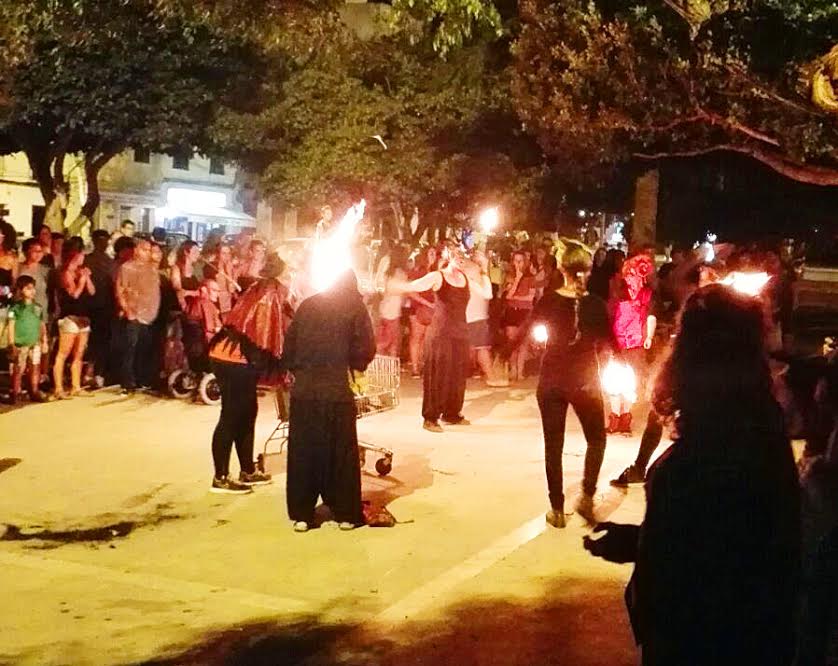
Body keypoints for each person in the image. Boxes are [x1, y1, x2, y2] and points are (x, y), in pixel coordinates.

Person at [585, 285, 800, 665]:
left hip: (702, 634)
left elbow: (715, 551)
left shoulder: (727, 439)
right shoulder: (755, 424)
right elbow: (709, 532)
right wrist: (637, 541)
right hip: (728, 628)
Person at [280, 269, 376, 531]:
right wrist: (355, 366)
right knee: (341, 451)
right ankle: (345, 512)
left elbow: (289, 346)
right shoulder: (354, 306)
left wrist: (297, 369)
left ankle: (302, 514)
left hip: (305, 392)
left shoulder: (309, 304)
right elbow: (365, 348)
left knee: (304, 451)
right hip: (336, 390)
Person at [527, 241, 614, 527]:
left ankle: (557, 509)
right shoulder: (596, 305)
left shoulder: (548, 300)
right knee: (597, 438)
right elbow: (607, 343)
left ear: (561, 269)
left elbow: (535, 334)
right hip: (585, 381)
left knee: (553, 446)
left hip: (551, 379)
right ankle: (587, 496)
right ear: (588, 271)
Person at [207, 253, 287, 494]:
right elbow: (264, 332)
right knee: (232, 416)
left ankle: (247, 469)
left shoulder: (260, 286)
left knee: (247, 413)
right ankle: (220, 477)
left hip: (234, 356)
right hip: (233, 359)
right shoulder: (270, 292)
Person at [399, 242, 471, 433]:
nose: (462, 258)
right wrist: (397, 285)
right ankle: (430, 417)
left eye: (463, 255)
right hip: (441, 332)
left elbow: (486, 291)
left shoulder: (464, 277)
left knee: (457, 375)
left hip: (460, 332)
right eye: (457, 255)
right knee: (438, 375)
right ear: (448, 256)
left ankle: (451, 413)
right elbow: (415, 285)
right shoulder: (437, 276)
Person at [607, 253, 656, 434]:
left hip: (636, 344)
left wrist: (648, 336)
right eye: (630, 275)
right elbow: (610, 316)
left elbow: (651, 315)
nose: (633, 279)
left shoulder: (648, 295)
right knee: (613, 380)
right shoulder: (618, 293)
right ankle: (614, 416)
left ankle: (625, 416)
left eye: (636, 275)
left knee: (630, 382)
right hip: (617, 343)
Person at [114, 239, 160, 394]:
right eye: (144, 249)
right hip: (133, 313)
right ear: (136, 250)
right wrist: (127, 309)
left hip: (149, 314)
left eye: (149, 250)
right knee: (130, 349)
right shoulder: (127, 268)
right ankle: (127, 381)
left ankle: (142, 378)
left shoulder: (151, 269)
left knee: (144, 348)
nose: (147, 253)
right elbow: (120, 290)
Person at [53, 247, 95, 398]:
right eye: (81, 256)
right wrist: (82, 280)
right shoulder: (65, 274)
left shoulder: (81, 272)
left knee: (79, 355)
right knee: (63, 353)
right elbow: (75, 294)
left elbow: (92, 291)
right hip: (70, 317)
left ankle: (76, 387)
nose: (83, 259)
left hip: (84, 317)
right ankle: (58, 388)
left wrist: (87, 277)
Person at [6, 276, 49, 404]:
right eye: (28, 288)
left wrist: (44, 340)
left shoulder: (38, 308)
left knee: (35, 366)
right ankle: (16, 392)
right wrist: (11, 343)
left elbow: (41, 325)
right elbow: (11, 326)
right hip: (20, 344)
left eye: (33, 288)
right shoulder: (15, 308)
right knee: (19, 368)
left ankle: (34, 390)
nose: (32, 291)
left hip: (34, 343)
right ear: (21, 290)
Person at [84, 230, 116, 387]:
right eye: (100, 240)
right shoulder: (87, 260)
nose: (103, 243)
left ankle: (96, 372)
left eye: (105, 240)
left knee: (101, 341)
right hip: (90, 306)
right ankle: (90, 372)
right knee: (92, 341)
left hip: (106, 307)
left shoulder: (110, 262)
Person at [463, 250, 499, 385]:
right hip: (474, 318)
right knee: (482, 348)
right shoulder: (471, 275)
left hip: (475, 317)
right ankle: (491, 377)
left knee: (474, 348)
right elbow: (487, 294)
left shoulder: (478, 275)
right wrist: (484, 270)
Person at [502, 250, 536, 381]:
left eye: (520, 261)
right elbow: (508, 295)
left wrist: (516, 296)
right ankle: (513, 369)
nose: (518, 264)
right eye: (515, 261)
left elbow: (530, 297)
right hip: (512, 312)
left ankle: (520, 370)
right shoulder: (509, 277)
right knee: (512, 341)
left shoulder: (531, 278)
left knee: (524, 343)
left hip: (525, 312)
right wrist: (516, 279)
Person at [406, 246, 437, 378]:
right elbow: (410, 291)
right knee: (417, 337)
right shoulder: (419, 271)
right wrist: (427, 303)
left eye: (435, 254)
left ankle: (422, 364)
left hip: (429, 309)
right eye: (431, 253)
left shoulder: (433, 271)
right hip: (418, 308)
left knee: (425, 338)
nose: (433, 256)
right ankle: (415, 367)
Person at [376, 245, 408, 357]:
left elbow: (381, 288)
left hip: (384, 308)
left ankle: (379, 364)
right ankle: (391, 367)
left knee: (383, 338)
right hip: (394, 311)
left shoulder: (387, 273)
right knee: (393, 341)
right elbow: (404, 294)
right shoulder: (401, 274)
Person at [170, 240, 201, 312]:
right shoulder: (176, 268)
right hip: (180, 306)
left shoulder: (197, 268)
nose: (197, 254)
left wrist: (187, 292)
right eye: (195, 252)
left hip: (195, 305)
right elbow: (177, 288)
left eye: (198, 252)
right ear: (186, 252)